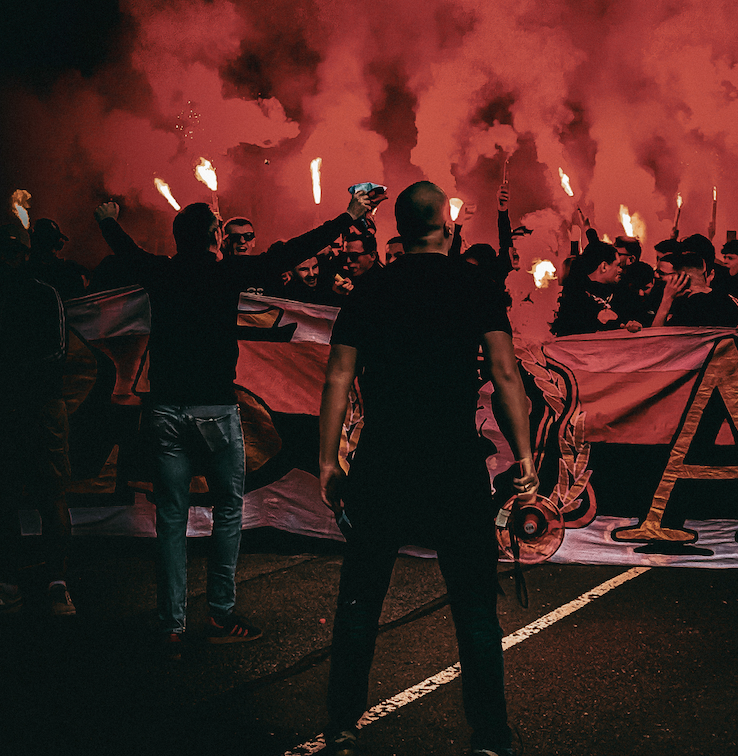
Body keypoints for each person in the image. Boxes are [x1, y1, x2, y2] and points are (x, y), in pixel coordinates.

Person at [94, 190, 373, 656]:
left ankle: (172, 626)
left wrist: (106, 220)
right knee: (227, 511)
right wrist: (347, 217)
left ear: (178, 239)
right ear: (214, 238)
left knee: (170, 518)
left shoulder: (160, 271)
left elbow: (126, 251)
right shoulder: (228, 273)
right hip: (216, 412)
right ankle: (221, 615)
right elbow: (291, 253)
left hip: (165, 411)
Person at [318, 181, 536, 756]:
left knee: (361, 598)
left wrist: (327, 461)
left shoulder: (369, 287)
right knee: (473, 605)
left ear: (399, 228)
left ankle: (341, 725)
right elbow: (507, 374)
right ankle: (490, 736)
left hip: (383, 461)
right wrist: (526, 456)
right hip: (452, 464)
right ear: (447, 222)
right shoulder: (475, 284)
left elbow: (338, 377)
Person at [1, 224, 76, 616]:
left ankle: (56, 583)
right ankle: (11, 582)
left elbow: (57, 353)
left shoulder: (45, 295)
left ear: (26, 254)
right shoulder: (41, 292)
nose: (9, 258)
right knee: (9, 497)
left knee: (51, 496)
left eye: (14, 251)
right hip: (23, 406)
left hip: (40, 405)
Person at [550, 240, 638, 336]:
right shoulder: (574, 296)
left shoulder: (621, 293)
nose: (620, 270)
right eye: (617, 265)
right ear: (604, 267)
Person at [651, 249, 738, 328]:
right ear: (704, 273)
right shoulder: (729, 300)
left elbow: (656, 340)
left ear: (681, 279)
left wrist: (666, 300)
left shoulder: (686, 306)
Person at [27, 218, 88, 300]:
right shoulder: (27, 273)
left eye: (55, 243)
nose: (53, 250)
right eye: (48, 243)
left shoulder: (70, 268)